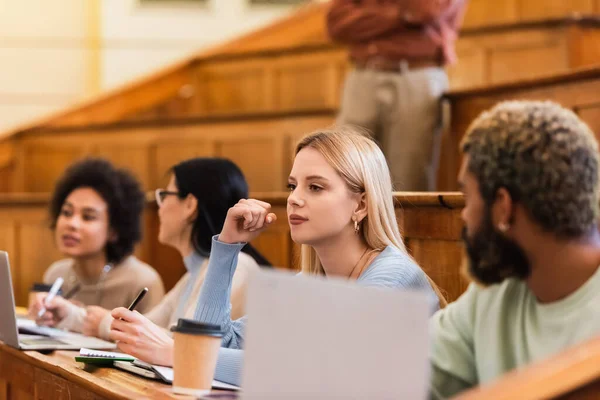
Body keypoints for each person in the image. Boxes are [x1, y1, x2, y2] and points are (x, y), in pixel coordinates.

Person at [110, 126, 444, 379]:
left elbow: (312, 372)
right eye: (292, 185)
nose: (295, 198)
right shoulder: (308, 284)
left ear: (361, 203)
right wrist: (226, 247)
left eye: (315, 187)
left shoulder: (394, 275)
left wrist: (181, 354)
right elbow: (223, 341)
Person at [429, 101, 600, 398]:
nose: (464, 216)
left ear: (503, 207)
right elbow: (400, 373)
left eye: (468, 199)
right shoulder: (495, 289)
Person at [88, 158, 268, 345]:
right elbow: (150, 324)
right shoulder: (192, 275)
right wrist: (88, 317)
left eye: (165, 195)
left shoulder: (236, 266)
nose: (160, 207)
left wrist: (104, 322)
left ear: (190, 205)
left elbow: (186, 343)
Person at [327, 0, 468, 191]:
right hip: (363, 76)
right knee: (345, 171)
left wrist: (371, 10)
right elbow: (336, 22)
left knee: (408, 184)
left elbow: (426, 9)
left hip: (416, 77)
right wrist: (399, 15)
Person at [28, 158, 164, 332]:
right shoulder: (57, 274)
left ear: (114, 230)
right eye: (67, 213)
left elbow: (153, 343)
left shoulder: (142, 280)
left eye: (88, 216)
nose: (72, 224)